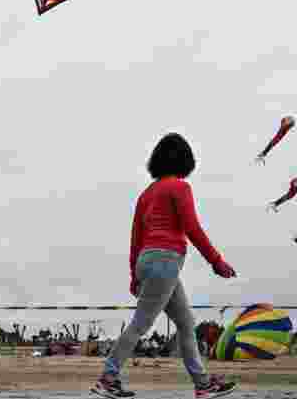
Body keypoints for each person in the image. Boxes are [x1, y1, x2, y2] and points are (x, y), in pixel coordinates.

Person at [93, 133, 238, 399]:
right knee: (140, 324)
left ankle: (202, 384)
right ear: (186, 160)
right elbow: (192, 228)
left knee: (185, 323)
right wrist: (216, 261)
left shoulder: (146, 195)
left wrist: (133, 276)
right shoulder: (179, 188)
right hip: (166, 260)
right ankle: (108, 377)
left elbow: (135, 238)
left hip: (146, 261)